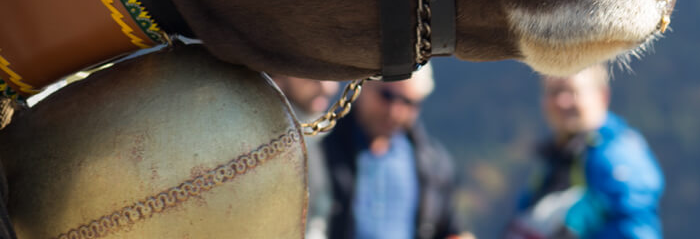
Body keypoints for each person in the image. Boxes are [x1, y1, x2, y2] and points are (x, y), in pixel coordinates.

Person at [504, 64, 665, 239]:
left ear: (602, 96)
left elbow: (634, 223)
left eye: (571, 91)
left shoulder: (616, 152)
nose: (561, 101)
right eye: (553, 92)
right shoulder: (556, 160)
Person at [319, 63, 470, 239]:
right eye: (387, 96)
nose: (395, 112)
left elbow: (451, 228)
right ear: (360, 88)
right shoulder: (320, 150)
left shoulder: (434, 163)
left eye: (408, 102)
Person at [271, 75, 341, 239]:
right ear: (280, 73)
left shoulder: (323, 133)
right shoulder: (263, 139)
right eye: (314, 75)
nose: (327, 88)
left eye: (333, 76)